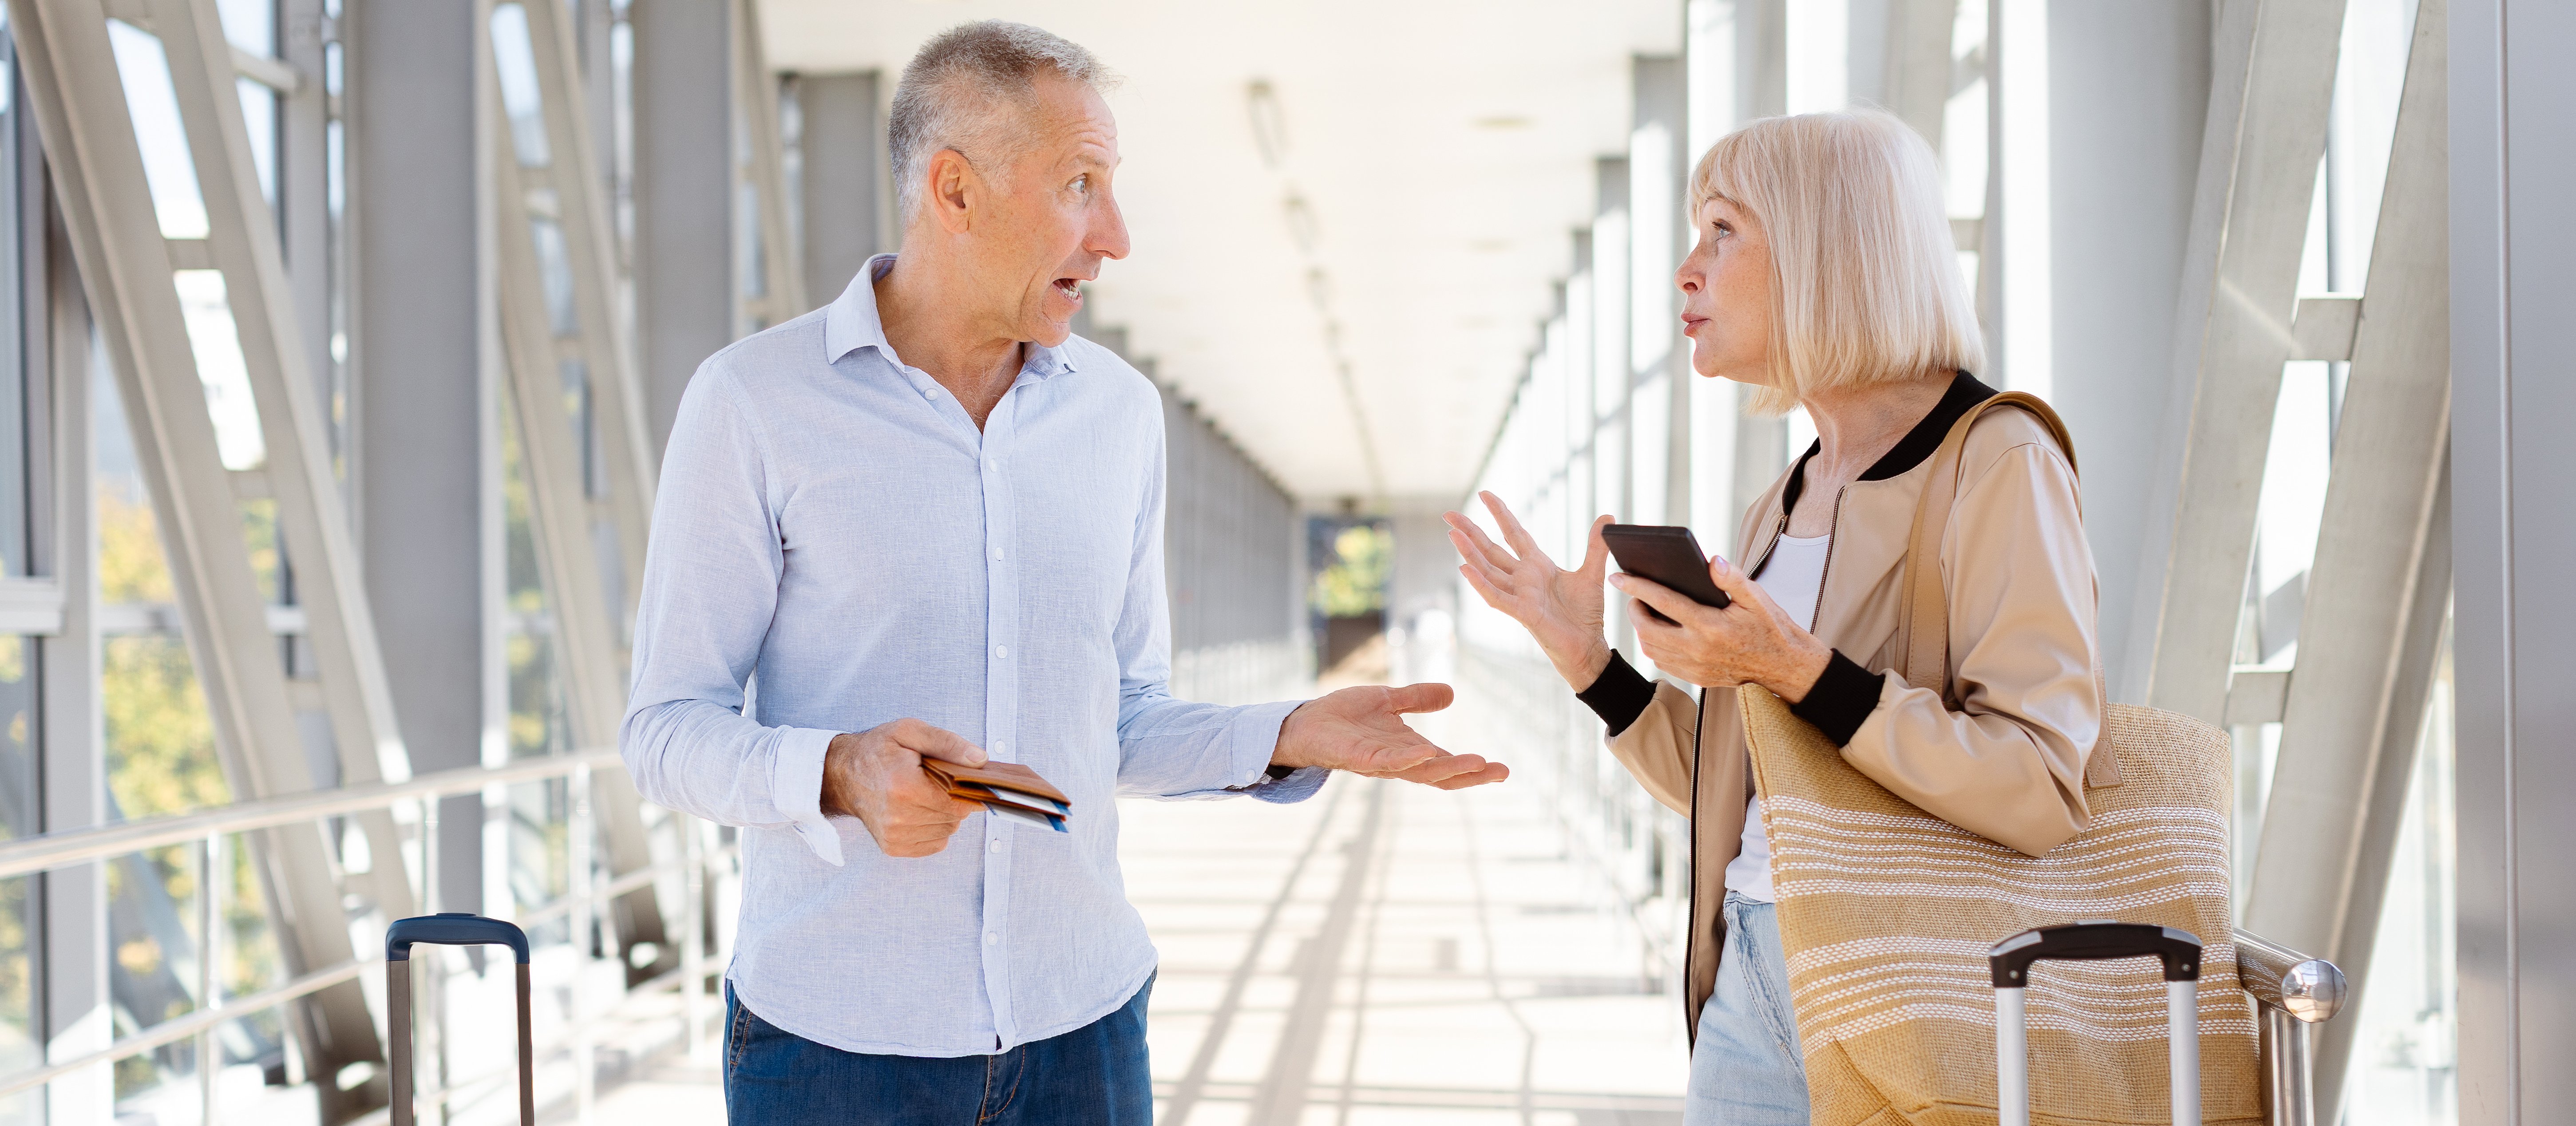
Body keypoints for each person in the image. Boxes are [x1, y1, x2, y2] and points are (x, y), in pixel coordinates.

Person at [620, 21, 1508, 1126]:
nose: (1117, 237)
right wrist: (838, 773)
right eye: (1080, 186)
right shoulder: (755, 403)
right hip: (839, 1050)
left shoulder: (1123, 418)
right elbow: (663, 730)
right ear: (955, 191)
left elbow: (1118, 719)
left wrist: (1285, 733)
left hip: (1084, 1031)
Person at [1445, 109, 2100, 1125]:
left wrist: (1801, 670)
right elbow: (1750, 793)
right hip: (1749, 978)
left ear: (1826, 250)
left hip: (1910, 997)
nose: (1685, 271)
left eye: (1721, 231)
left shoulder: (1998, 459)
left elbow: (2040, 785)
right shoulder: (1782, 502)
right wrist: (1591, 664)